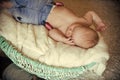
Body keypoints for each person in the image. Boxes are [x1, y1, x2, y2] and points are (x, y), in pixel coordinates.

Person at [0, 0, 106, 49]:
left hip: (40, 18)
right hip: (48, 5)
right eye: (74, 29)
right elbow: (91, 13)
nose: (69, 31)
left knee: (21, 16)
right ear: (84, 26)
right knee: (30, 1)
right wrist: (99, 22)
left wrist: (63, 39)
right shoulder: (85, 21)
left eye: (71, 36)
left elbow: (52, 32)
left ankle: (10, 6)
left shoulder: (66, 36)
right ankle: (13, 2)